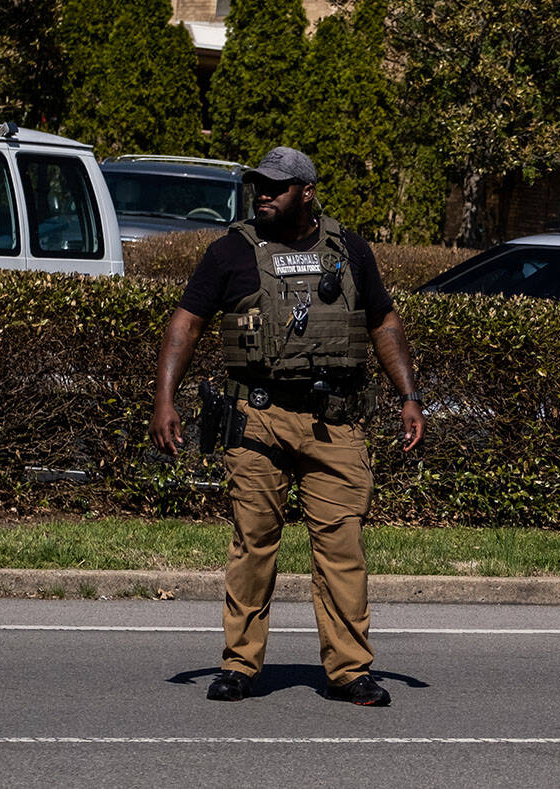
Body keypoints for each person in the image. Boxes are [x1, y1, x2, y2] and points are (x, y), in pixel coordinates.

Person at [149, 146, 425, 707]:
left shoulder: (348, 248)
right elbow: (188, 320)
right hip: (256, 418)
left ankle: (350, 671)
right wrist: (164, 397)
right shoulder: (231, 250)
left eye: (277, 186)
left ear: (308, 191)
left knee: (342, 549)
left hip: (335, 422)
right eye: (259, 185)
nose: (264, 194)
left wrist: (409, 395)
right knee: (253, 545)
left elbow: (382, 319)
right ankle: (240, 665)